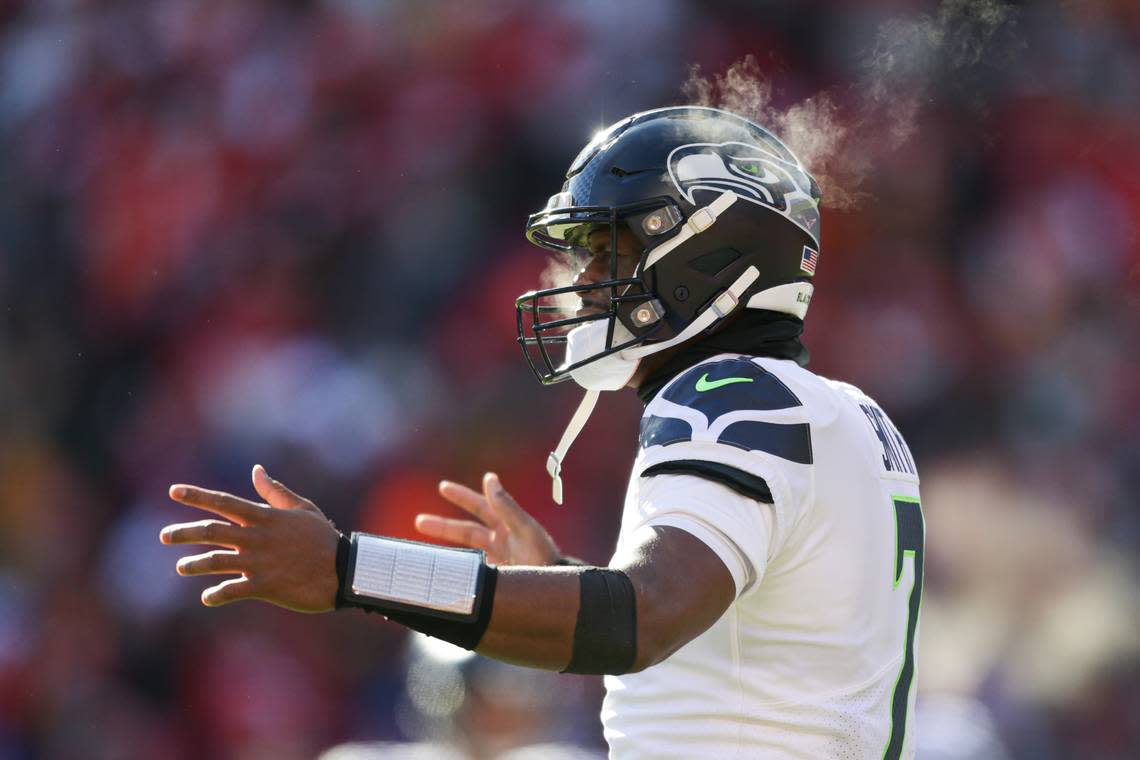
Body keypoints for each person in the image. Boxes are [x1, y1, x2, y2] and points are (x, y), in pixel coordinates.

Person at [160, 107, 925, 759]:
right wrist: (561, 578)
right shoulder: (850, 414)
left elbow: (641, 617)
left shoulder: (730, 397)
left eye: (609, 252)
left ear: (705, 252)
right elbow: (740, 648)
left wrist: (349, 570)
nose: (583, 284)